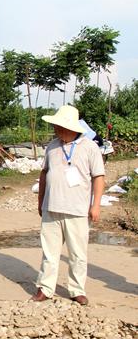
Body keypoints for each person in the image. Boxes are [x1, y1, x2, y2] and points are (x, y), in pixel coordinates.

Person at [33, 105, 105, 306]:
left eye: (61, 127)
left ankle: (76, 290)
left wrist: (96, 205)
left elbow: (99, 177)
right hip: (52, 208)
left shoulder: (90, 147)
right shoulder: (52, 147)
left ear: (73, 128)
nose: (57, 130)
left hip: (77, 210)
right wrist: (41, 202)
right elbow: (44, 174)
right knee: (49, 253)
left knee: (77, 254)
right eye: (56, 126)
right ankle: (46, 288)